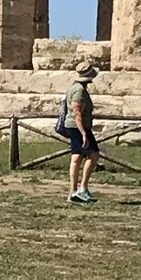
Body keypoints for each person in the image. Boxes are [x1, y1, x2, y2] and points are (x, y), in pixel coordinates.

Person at [60, 61, 101, 205]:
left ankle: (73, 192)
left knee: (76, 157)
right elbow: (77, 113)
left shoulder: (74, 87)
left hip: (73, 125)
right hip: (78, 126)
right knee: (94, 154)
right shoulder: (79, 91)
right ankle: (82, 189)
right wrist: (83, 133)